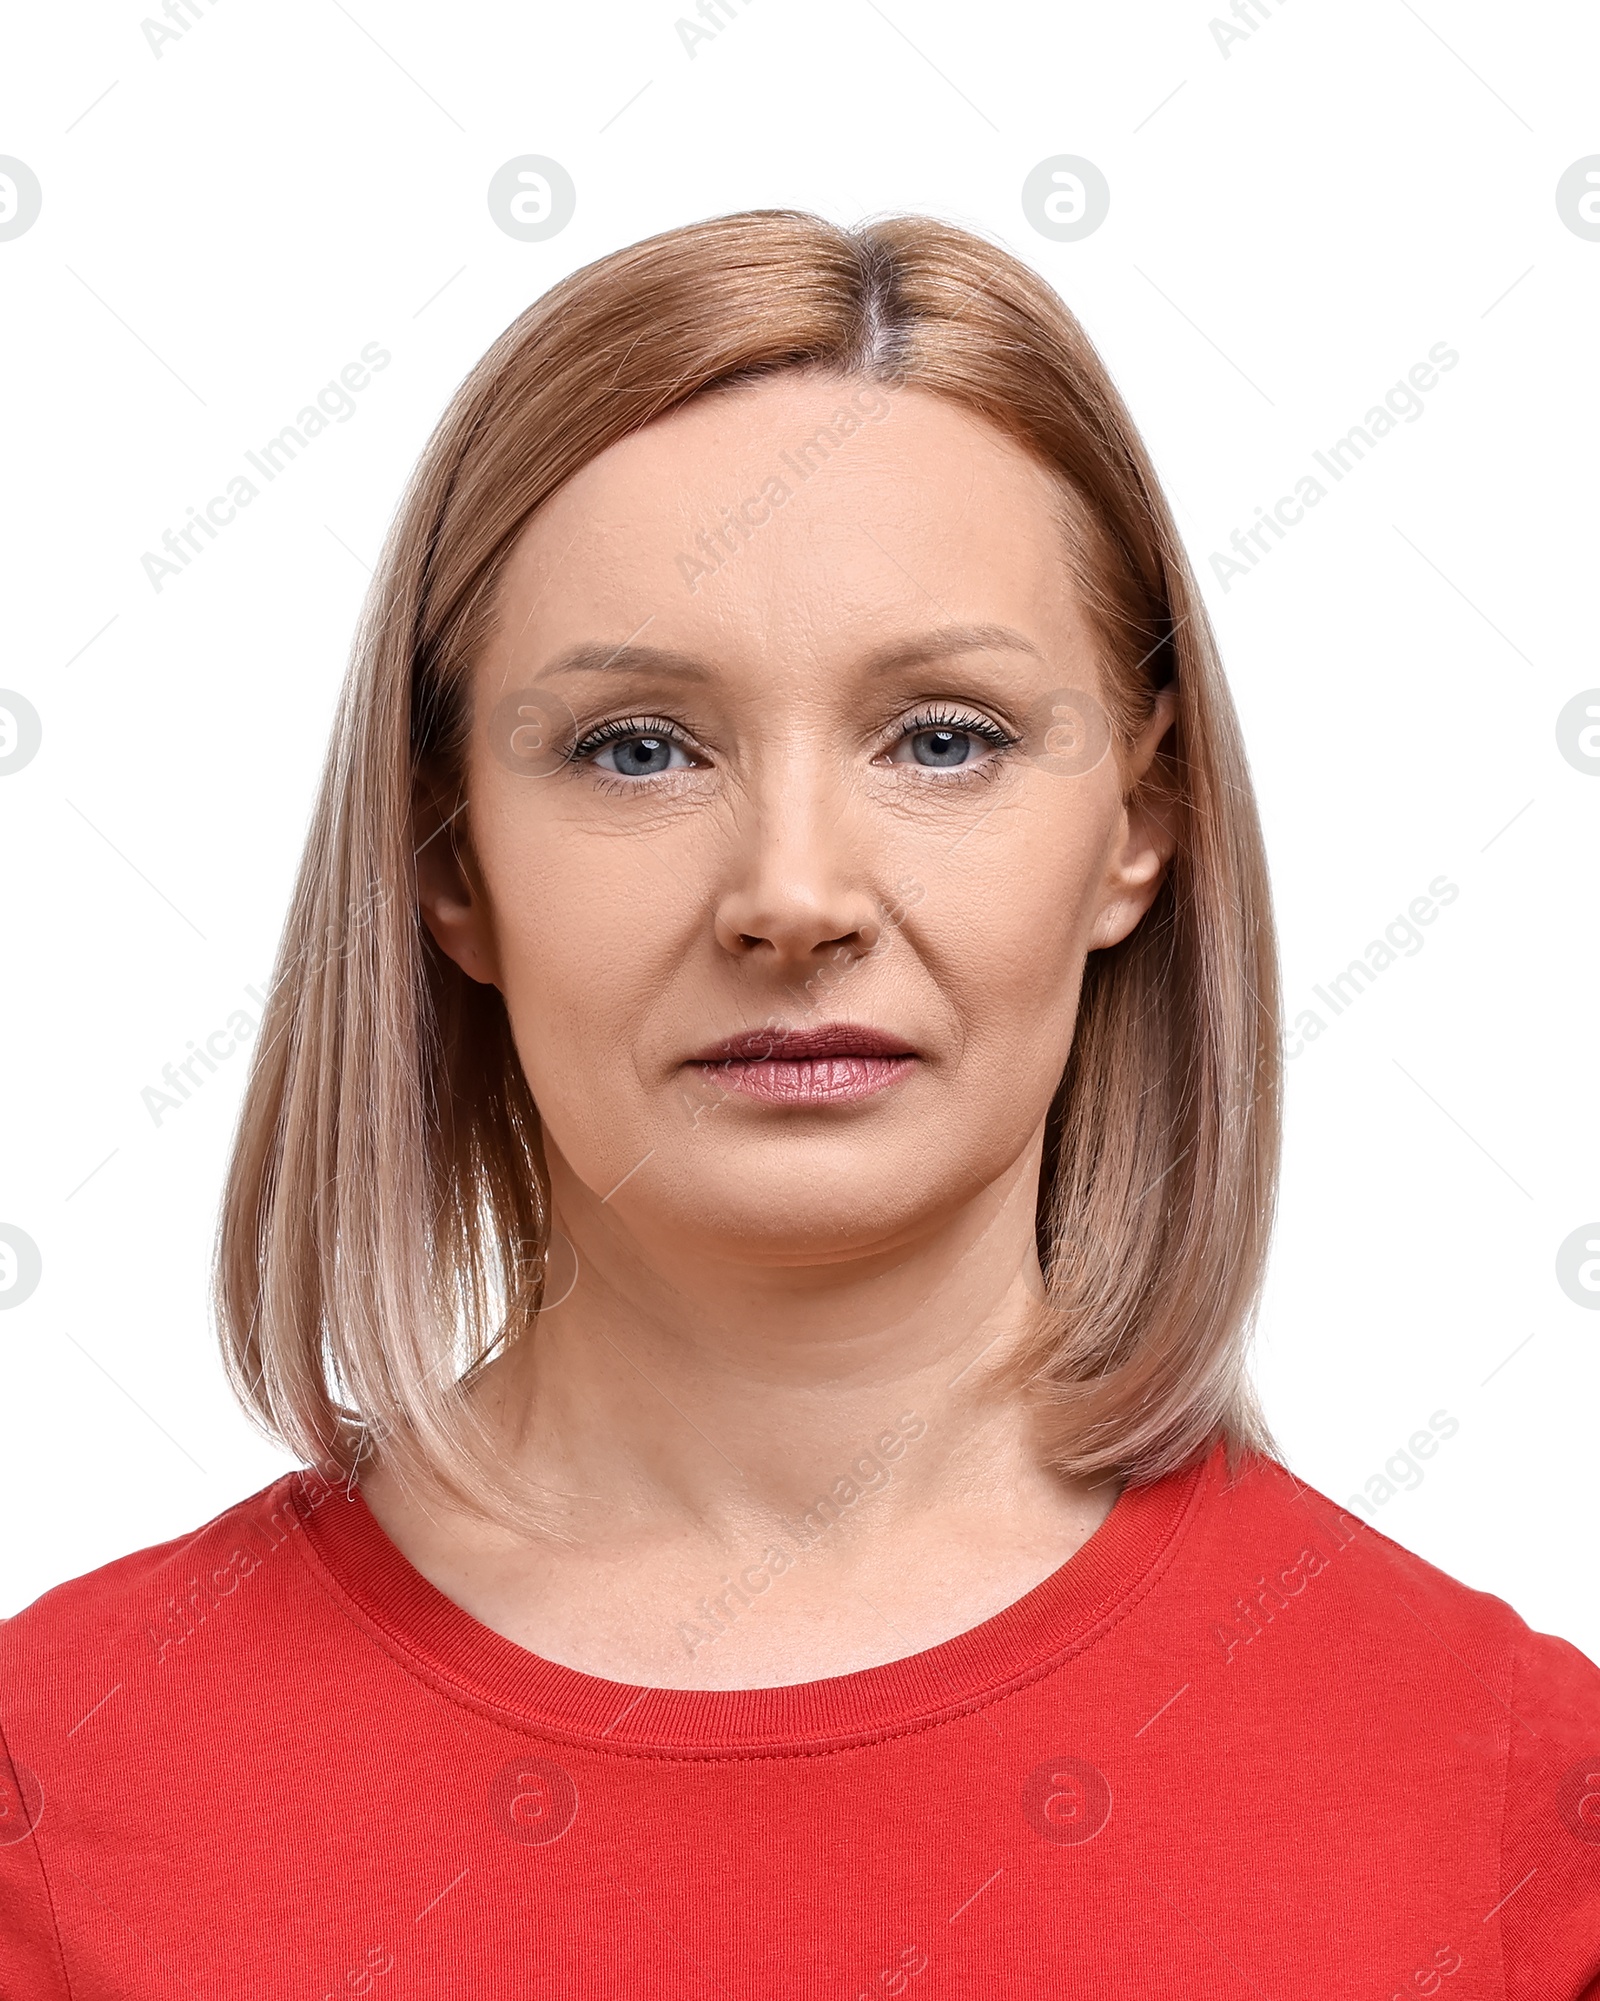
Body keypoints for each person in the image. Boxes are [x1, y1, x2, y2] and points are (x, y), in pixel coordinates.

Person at [2, 210, 1595, 1996]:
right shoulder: (56, 1796)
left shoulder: (1514, 1800)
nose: (794, 893)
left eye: (941, 736)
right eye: (637, 748)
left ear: (1143, 826)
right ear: (448, 857)